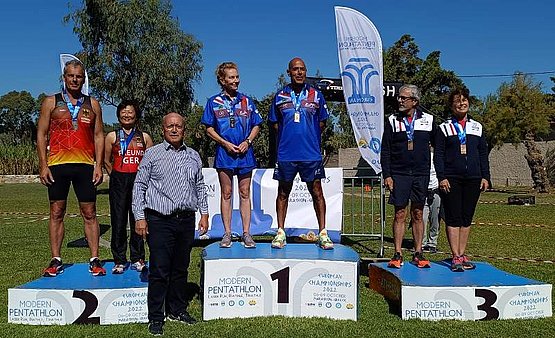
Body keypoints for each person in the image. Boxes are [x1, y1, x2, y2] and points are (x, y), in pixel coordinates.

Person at [132, 113, 208, 336]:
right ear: (163, 129)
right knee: (159, 269)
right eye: (170, 126)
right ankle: (156, 316)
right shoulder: (152, 154)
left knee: (180, 268)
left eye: (178, 126)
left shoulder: (193, 156)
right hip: (159, 220)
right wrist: (139, 217)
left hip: (186, 219)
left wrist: (204, 213)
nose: (174, 130)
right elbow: (139, 187)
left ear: (184, 129)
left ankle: (177, 310)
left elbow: (200, 186)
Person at [37, 59, 106, 277]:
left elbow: (98, 135)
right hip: (57, 165)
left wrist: (99, 165)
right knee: (56, 212)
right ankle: (56, 259)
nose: (75, 79)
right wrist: (43, 165)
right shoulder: (50, 102)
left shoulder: (92, 104)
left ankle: (95, 259)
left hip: (85, 165)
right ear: (64, 78)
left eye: (79, 76)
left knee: (90, 212)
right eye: (71, 76)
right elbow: (41, 133)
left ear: (83, 79)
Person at [268, 57, 333, 250]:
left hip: (310, 154)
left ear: (306, 72)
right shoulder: (279, 95)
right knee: (283, 192)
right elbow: (274, 123)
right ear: (288, 72)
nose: (299, 72)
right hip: (286, 154)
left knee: (317, 192)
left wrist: (308, 135)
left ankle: (323, 233)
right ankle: (280, 232)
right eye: (295, 69)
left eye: (302, 69)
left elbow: (322, 122)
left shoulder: (316, 95)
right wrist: (290, 136)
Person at [201, 62, 262, 248]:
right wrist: (224, 143)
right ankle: (227, 233)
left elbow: (256, 125)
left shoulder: (247, 101)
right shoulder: (213, 102)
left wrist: (248, 142)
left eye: (237, 77)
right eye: (231, 77)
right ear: (222, 80)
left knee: (245, 193)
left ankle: (246, 233)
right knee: (226, 193)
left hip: (245, 153)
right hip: (224, 153)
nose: (236, 81)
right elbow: (208, 128)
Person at [434, 87, 490, 272]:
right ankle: (455, 256)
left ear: (468, 103)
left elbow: (483, 154)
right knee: (453, 217)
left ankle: (462, 254)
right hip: (452, 179)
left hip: (473, 178)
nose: (461, 103)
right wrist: (442, 177)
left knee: (466, 218)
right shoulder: (443, 128)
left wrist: (485, 176)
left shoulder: (477, 127)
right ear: (452, 105)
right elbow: (439, 155)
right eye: (457, 101)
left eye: (464, 100)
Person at [381, 84, 436, 269]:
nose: (400, 100)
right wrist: (387, 175)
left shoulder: (428, 120)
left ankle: (418, 252)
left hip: (420, 173)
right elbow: (386, 150)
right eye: (399, 97)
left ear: (415, 101)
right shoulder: (392, 120)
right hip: (399, 174)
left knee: (418, 213)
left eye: (404, 98)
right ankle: (397, 253)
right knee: (400, 213)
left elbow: (440, 147)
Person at [104, 100, 153, 274]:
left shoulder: (144, 137)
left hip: (139, 181)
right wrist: (116, 176)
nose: (127, 115)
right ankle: (119, 259)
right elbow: (106, 160)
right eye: (123, 112)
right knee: (118, 220)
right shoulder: (112, 136)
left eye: (130, 112)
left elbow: (150, 161)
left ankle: (138, 257)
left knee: (138, 220)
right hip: (119, 180)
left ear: (136, 115)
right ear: (118, 115)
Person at [422, 149, 442, 254]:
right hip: (423, 192)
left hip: (435, 192)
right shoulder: (420, 157)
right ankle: (421, 243)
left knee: (435, 220)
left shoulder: (438, 158)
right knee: (422, 219)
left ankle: (432, 243)